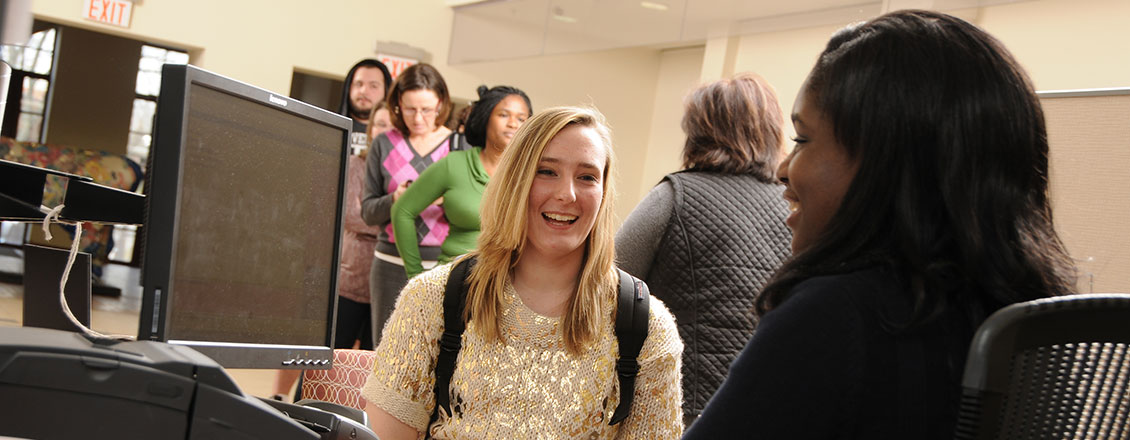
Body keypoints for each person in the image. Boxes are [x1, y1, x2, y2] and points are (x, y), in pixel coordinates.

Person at [683, 10, 1077, 439]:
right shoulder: (1030, 321)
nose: (782, 169)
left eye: (803, 140)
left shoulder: (835, 316)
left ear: (886, 162)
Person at [361, 106, 684, 439]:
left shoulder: (645, 327)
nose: (567, 194)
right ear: (515, 181)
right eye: (546, 171)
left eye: (587, 176)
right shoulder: (432, 300)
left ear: (603, 194)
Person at [615, 73, 791, 426]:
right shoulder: (796, 208)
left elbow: (607, 285)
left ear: (701, 130)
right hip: (773, 401)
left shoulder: (675, 197)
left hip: (684, 403)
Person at [360, 63, 467, 345]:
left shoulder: (458, 146)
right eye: (409, 109)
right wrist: (396, 199)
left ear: (441, 104)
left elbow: (473, 210)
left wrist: (445, 198)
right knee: (383, 351)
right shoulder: (383, 144)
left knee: (432, 350)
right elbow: (368, 212)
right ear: (397, 105)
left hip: (442, 266)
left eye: (427, 109)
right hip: (389, 264)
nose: (418, 118)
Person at [391, 85, 532, 278]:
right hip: (453, 280)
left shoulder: (532, 175)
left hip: (507, 285)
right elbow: (402, 211)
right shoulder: (454, 165)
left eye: (521, 118)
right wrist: (415, 275)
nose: (513, 124)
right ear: (486, 118)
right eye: (504, 115)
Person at [333, 102, 394, 350]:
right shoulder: (354, 165)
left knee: (368, 370)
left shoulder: (401, 173)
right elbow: (349, 215)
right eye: (379, 124)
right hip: (348, 284)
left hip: (386, 289)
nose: (384, 131)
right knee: (325, 366)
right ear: (370, 130)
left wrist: (371, 213)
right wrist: (389, 220)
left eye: (391, 126)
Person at [339, 59, 393, 153]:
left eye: (373, 86)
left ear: (386, 91)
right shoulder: (329, 130)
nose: (364, 91)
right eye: (358, 84)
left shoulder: (397, 137)